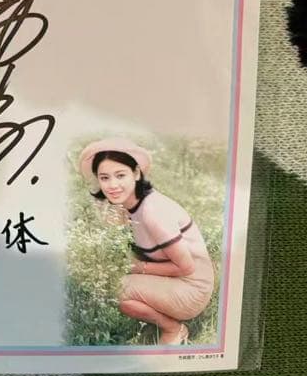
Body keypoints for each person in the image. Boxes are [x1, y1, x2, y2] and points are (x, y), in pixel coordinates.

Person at [78, 138, 214, 345]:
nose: (112, 185)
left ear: (136, 173)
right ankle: (162, 317)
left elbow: (186, 267)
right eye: (104, 178)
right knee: (111, 283)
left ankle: (173, 329)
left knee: (117, 289)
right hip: (174, 280)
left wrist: (137, 268)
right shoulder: (130, 206)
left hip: (192, 288)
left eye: (120, 175)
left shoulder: (153, 211)